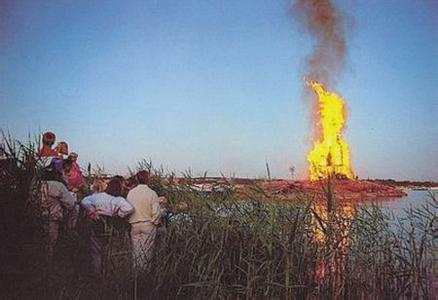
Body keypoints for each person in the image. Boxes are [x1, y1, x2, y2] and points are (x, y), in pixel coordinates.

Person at [81, 177, 134, 274]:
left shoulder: (98, 196)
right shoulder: (117, 199)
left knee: (96, 250)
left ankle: (97, 272)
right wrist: (119, 214)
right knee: (109, 249)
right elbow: (129, 208)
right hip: (110, 224)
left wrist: (92, 210)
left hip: (97, 223)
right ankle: (108, 271)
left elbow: (84, 201)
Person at [40, 162, 77, 262]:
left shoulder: (35, 184)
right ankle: (48, 266)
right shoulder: (58, 186)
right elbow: (71, 203)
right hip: (51, 219)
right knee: (50, 243)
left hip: (35, 217)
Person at [126, 170, 163, 273]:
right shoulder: (152, 193)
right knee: (147, 252)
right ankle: (145, 274)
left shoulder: (131, 193)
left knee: (136, 251)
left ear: (137, 179)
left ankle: (136, 274)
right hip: (148, 224)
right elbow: (156, 211)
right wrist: (154, 223)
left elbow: (127, 208)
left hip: (134, 224)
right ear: (148, 179)